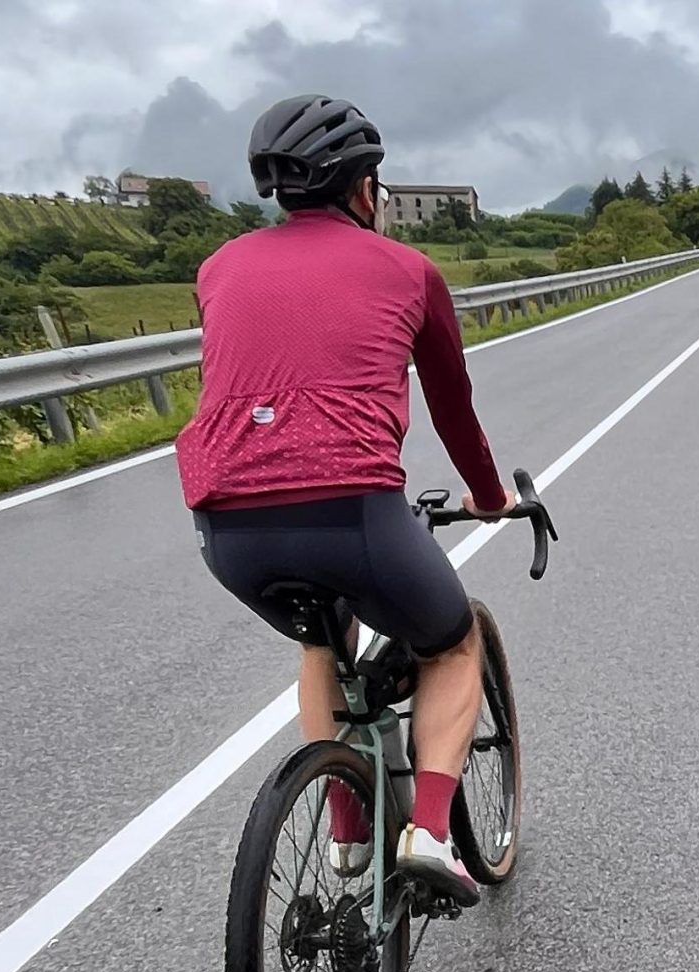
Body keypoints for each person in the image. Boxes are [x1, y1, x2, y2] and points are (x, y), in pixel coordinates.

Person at [179, 93, 510, 904]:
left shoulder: (217, 267)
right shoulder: (409, 271)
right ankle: (429, 831)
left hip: (225, 526)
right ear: (364, 188)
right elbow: (453, 409)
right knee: (452, 642)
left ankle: (346, 826)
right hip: (352, 512)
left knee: (321, 642)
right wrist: (488, 495)